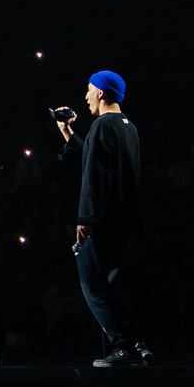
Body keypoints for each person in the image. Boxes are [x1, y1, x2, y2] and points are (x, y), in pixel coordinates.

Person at [57, 68, 148, 366]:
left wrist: (86, 217)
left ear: (101, 91)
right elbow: (93, 160)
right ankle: (136, 342)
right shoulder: (127, 126)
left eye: (88, 89)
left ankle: (122, 346)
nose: (85, 96)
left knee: (93, 285)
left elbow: (94, 175)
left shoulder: (101, 126)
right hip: (122, 222)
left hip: (102, 221)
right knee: (113, 283)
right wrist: (67, 132)